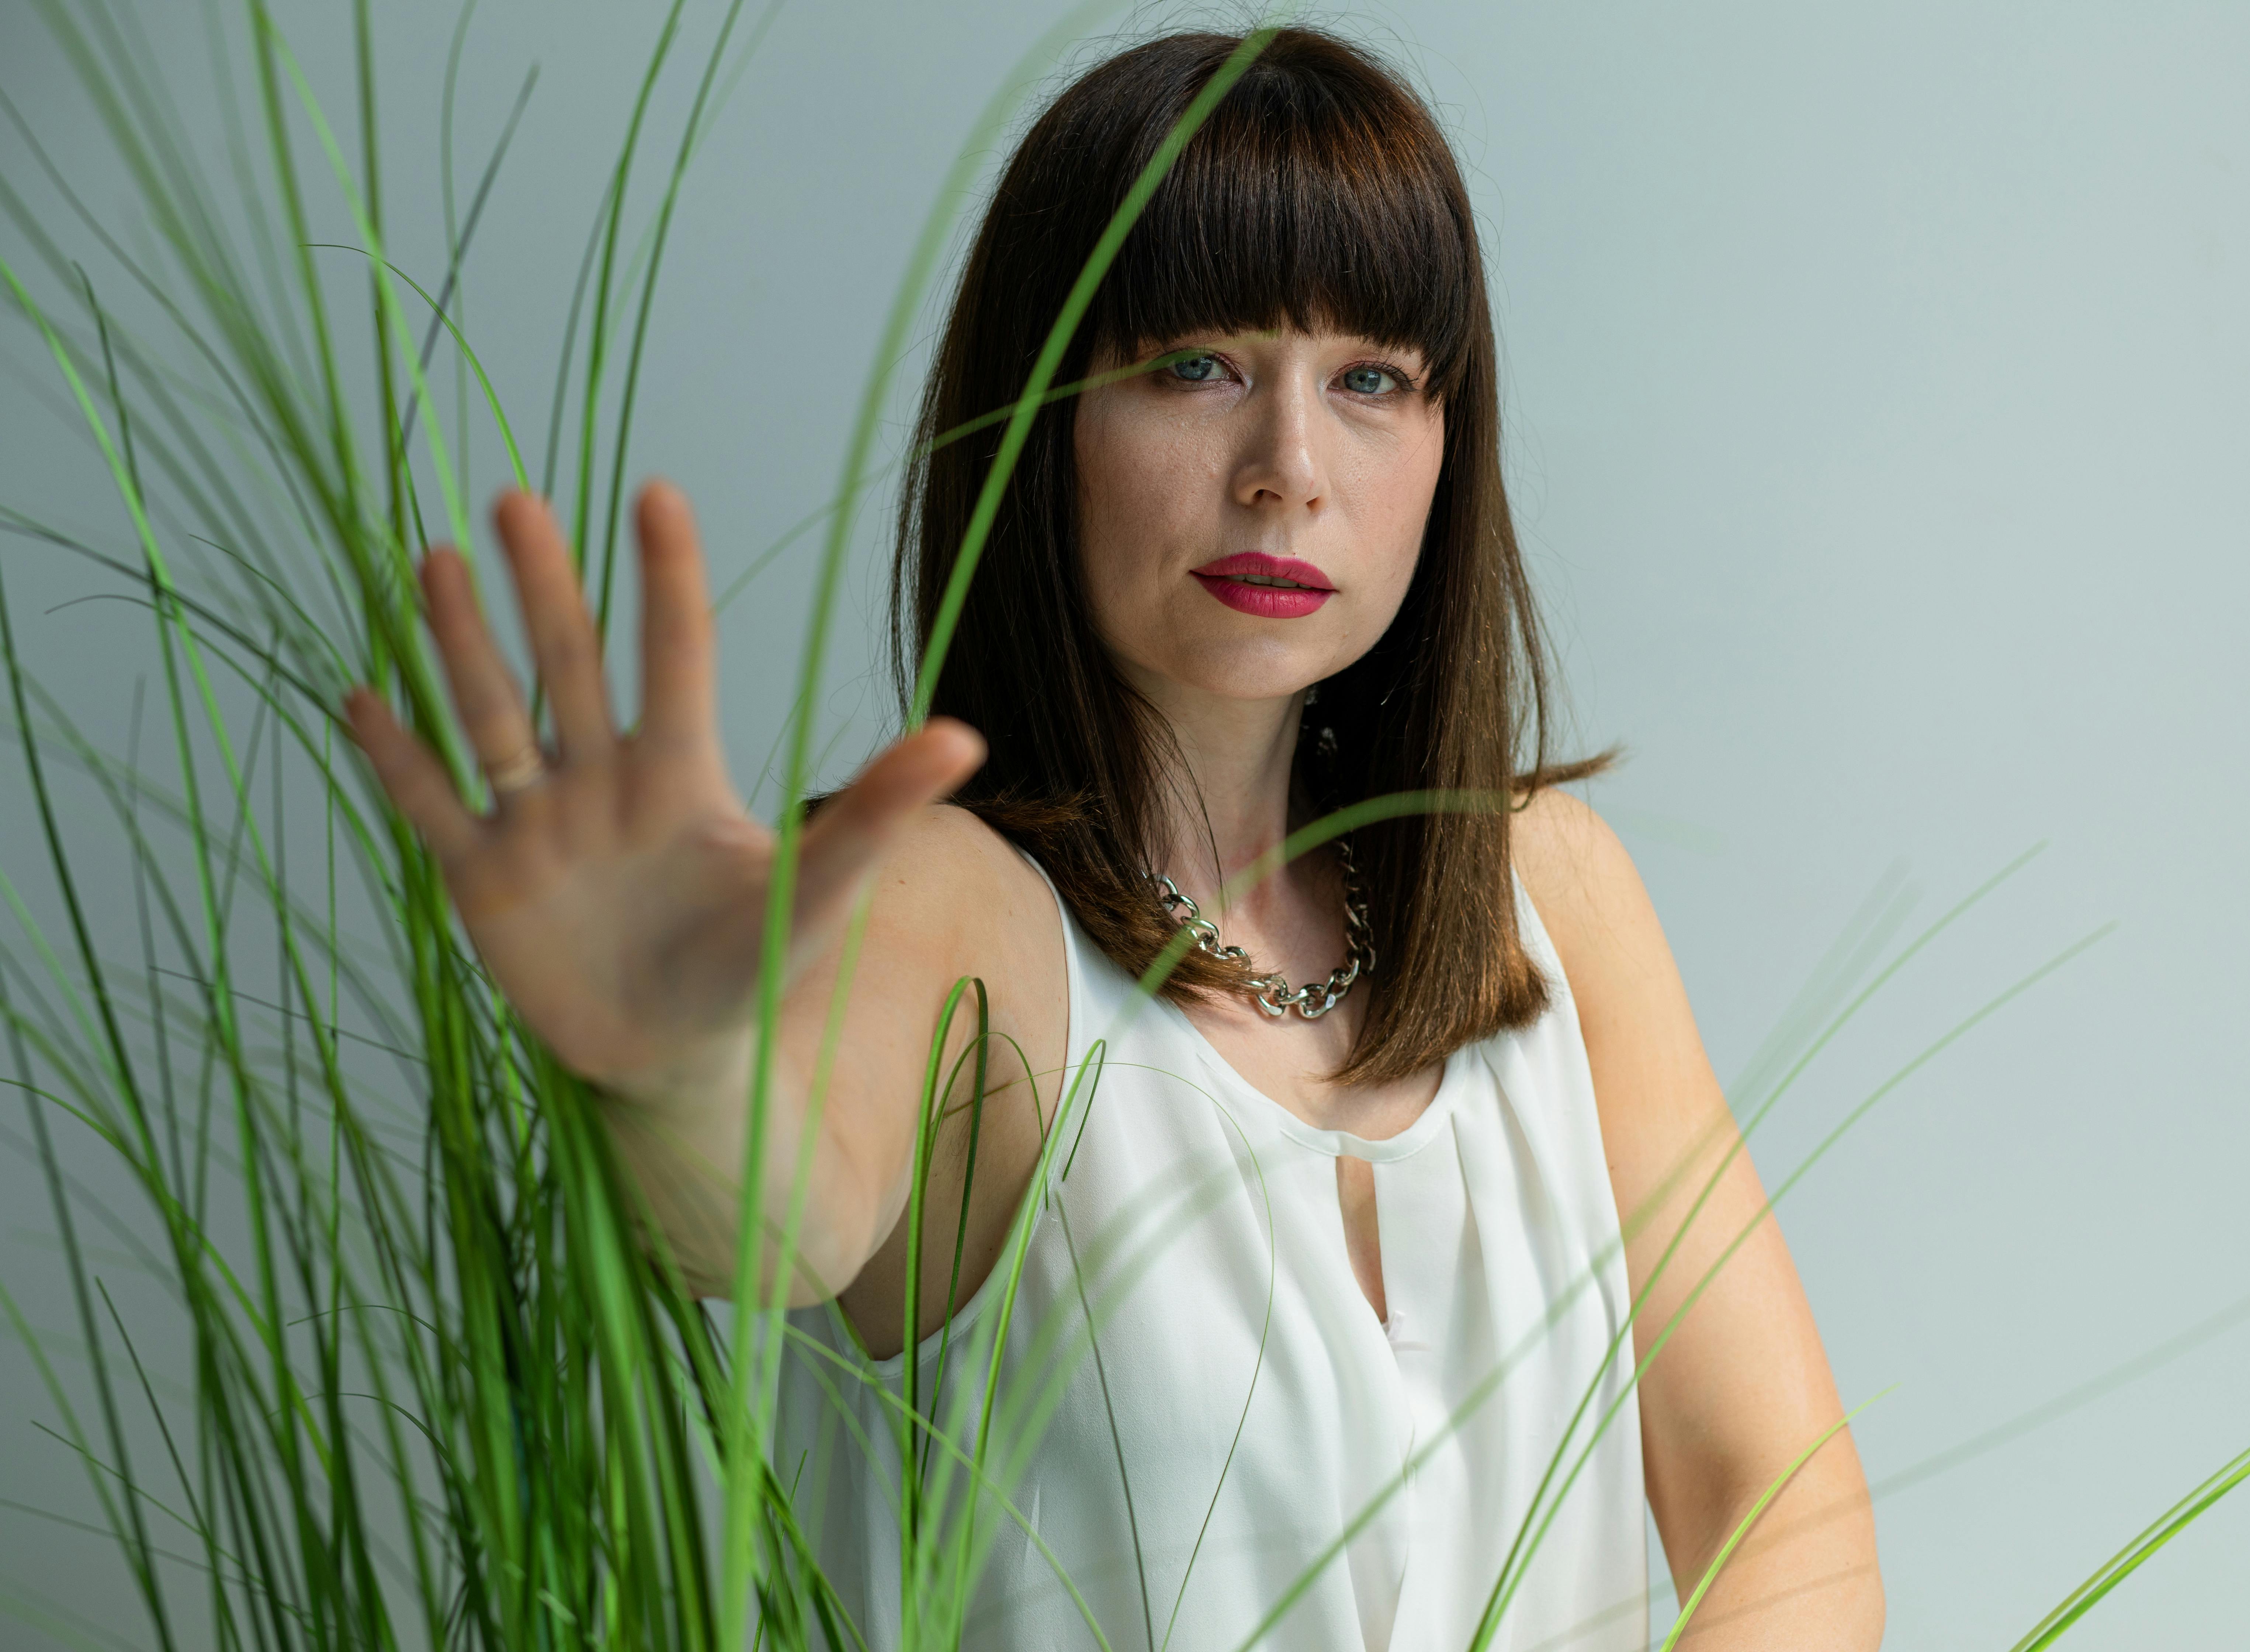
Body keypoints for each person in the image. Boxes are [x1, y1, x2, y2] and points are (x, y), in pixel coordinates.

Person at [347, 25, 1883, 1651]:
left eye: (1371, 380)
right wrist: (668, 1062)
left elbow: (1774, 1500)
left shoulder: (1546, 894)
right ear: (1037, 416)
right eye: (1194, 364)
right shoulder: (951, 908)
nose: (1288, 470)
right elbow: (758, 1202)